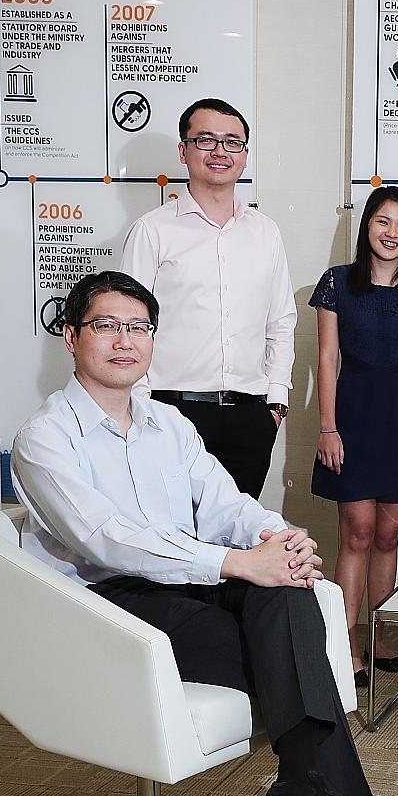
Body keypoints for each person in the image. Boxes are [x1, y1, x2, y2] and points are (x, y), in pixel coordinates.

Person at [10, 271, 396, 796]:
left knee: (288, 592)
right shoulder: (45, 438)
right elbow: (110, 542)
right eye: (107, 325)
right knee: (279, 649)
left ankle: (307, 791)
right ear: (72, 337)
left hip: (189, 579)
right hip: (109, 606)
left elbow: (226, 507)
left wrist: (281, 539)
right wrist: (238, 561)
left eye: (139, 327)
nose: (125, 340)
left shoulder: (168, 424)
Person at [120, 98, 296, 498]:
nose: (220, 152)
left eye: (232, 142)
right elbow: (127, 326)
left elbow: (281, 321)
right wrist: (141, 408)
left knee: (238, 542)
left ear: (245, 156)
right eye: (206, 140)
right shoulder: (152, 231)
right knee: (176, 542)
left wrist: (276, 402)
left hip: (251, 417)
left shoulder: (265, 232)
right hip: (172, 413)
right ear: (183, 151)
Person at [311, 187, 398, 686]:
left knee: (389, 535)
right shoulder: (337, 285)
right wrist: (328, 426)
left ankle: (378, 634)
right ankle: (345, 639)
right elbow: (326, 359)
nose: (393, 234)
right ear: (366, 225)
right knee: (358, 534)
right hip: (352, 417)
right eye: (383, 222)